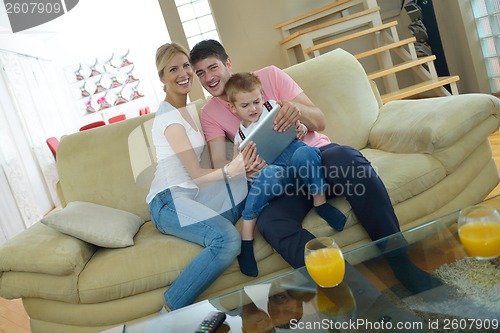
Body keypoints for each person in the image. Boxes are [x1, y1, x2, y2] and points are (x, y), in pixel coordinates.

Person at [190, 39, 442, 294]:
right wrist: (242, 168)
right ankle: (352, 292)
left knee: (349, 160)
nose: (209, 77)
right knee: (270, 223)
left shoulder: (270, 76)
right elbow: (222, 165)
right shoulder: (210, 112)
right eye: (200, 73)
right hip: (282, 182)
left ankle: (401, 263)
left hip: (317, 158)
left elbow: (319, 120)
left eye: (213, 67)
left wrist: (295, 111)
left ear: (228, 63)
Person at [146, 42, 249, 313]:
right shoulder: (169, 118)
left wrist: (239, 156)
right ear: (162, 78)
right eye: (173, 69)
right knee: (227, 240)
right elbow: (196, 175)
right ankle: (164, 318)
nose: (183, 73)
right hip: (167, 200)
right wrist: (231, 170)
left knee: (246, 184)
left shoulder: (189, 108)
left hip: (191, 194)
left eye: (186, 66)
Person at [225, 72, 346, 277]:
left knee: (305, 152)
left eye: (257, 101)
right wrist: (250, 168)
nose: (253, 108)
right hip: (279, 176)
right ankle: (246, 238)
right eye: (245, 106)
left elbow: (299, 128)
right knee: (267, 175)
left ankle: (320, 202)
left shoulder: (273, 107)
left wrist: (299, 127)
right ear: (233, 108)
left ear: (262, 95)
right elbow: (245, 171)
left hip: (300, 162)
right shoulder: (240, 137)